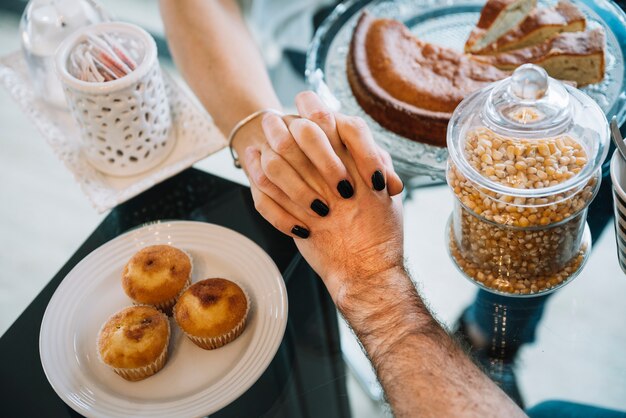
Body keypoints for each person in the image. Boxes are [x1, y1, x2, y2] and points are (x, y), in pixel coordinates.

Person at [159, 1, 626, 417]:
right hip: (338, 37)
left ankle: (487, 334)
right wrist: (252, 129)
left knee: (575, 185)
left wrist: (374, 289)